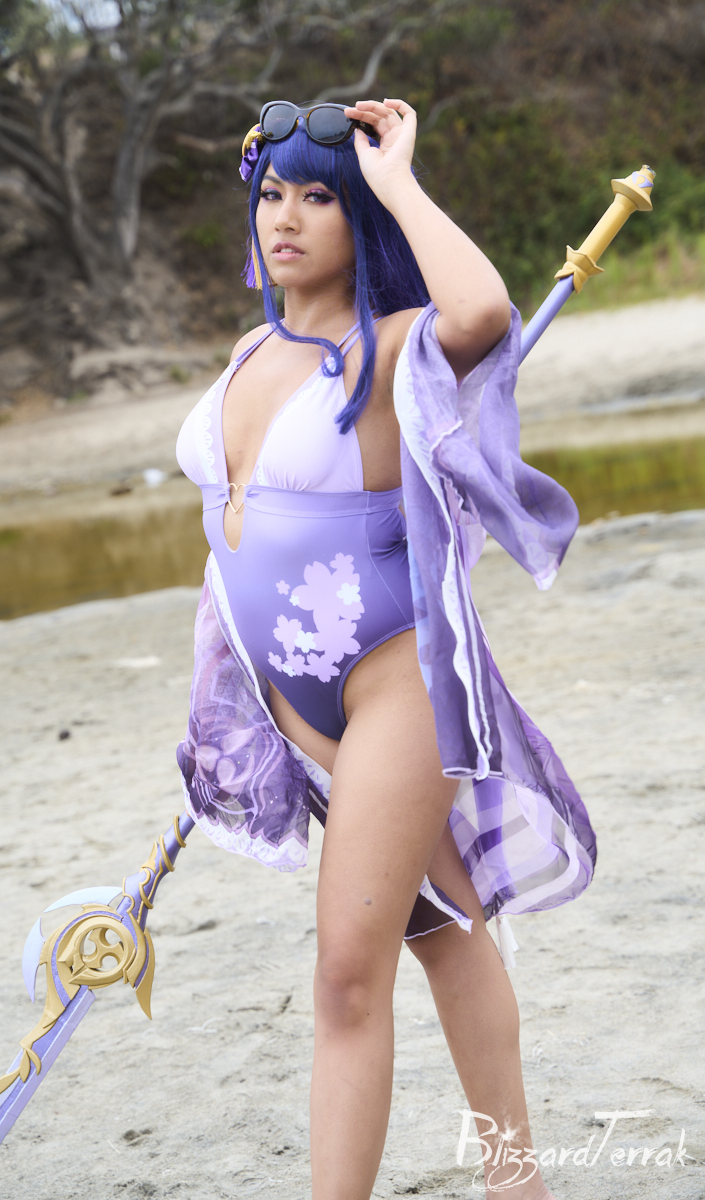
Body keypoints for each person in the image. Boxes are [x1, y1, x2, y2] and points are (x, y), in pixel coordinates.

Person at [175, 97, 596, 1200]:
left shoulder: (395, 346)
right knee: (442, 928)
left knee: (344, 975)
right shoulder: (250, 349)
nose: (286, 217)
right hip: (289, 698)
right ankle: (519, 1184)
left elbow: (484, 310)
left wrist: (397, 178)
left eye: (319, 197)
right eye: (272, 193)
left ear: (358, 220)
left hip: (391, 686)